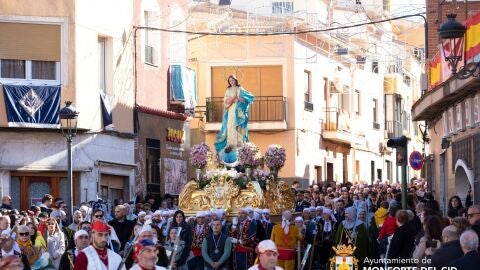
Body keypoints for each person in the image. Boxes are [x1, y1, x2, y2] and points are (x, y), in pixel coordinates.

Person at [214, 75, 254, 164]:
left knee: (239, 126)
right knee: (231, 126)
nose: (232, 82)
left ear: (236, 80)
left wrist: (238, 98)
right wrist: (233, 98)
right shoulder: (228, 90)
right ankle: (231, 144)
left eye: (233, 80)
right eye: (230, 80)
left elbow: (246, 99)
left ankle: (240, 143)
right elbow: (226, 101)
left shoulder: (240, 89)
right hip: (231, 111)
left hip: (239, 112)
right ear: (229, 82)